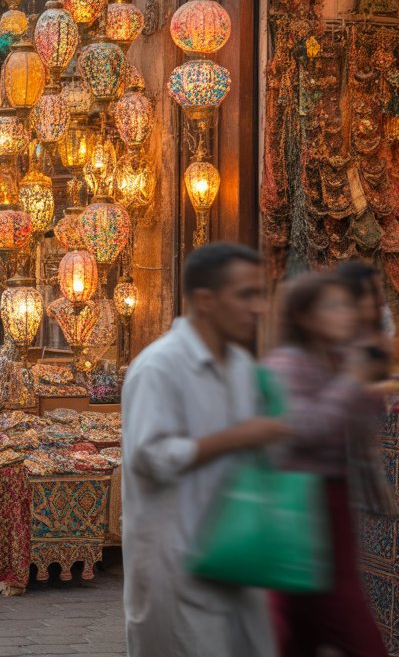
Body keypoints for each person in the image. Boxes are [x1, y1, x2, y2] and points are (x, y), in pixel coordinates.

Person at [120, 243, 290, 656]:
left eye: (260, 294)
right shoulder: (159, 367)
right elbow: (151, 457)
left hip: (237, 553)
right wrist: (239, 436)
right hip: (176, 565)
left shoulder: (242, 367)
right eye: (245, 295)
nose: (259, 308)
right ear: (205, 300)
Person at [263, 273, 390, 657]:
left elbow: (360, 422)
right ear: (305, 316)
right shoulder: (285, 364)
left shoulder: (332, 362)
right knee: (343, 626)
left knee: (296, 630)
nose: (345, 315)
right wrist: (352, 379)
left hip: (330, 506)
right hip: (300, 506)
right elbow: (307, 428)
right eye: (333, 307)